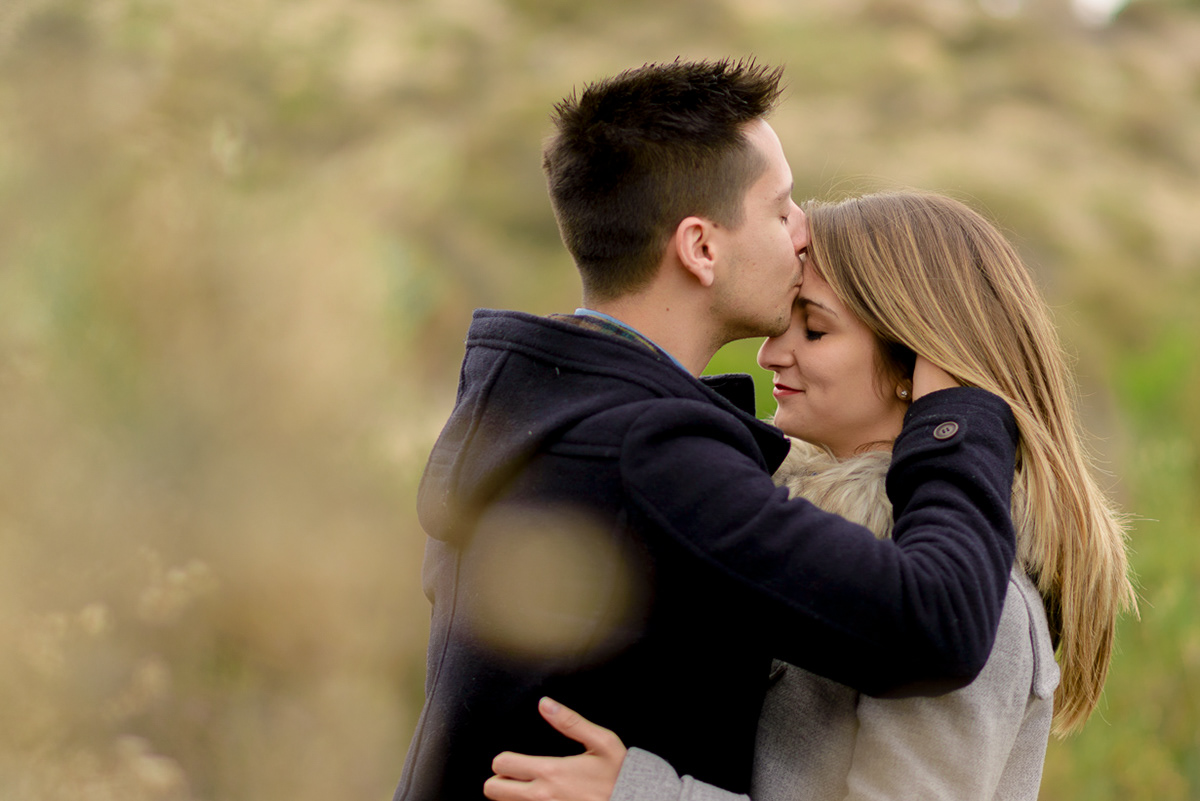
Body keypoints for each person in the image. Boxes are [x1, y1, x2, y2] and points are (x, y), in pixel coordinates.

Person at [395, 61, 1023, 801]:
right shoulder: (646, 456)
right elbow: (937, 625)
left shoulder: (535, 415)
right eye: (780, 209)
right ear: (700, 247)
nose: (803, 231)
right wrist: (960, 414)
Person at [481, 191, 1137, 801]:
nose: (769, 354)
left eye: (813, 331)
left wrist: (636, 792)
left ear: (918, 366)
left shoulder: (977, 603)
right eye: (781, 323)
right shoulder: (801, 540)